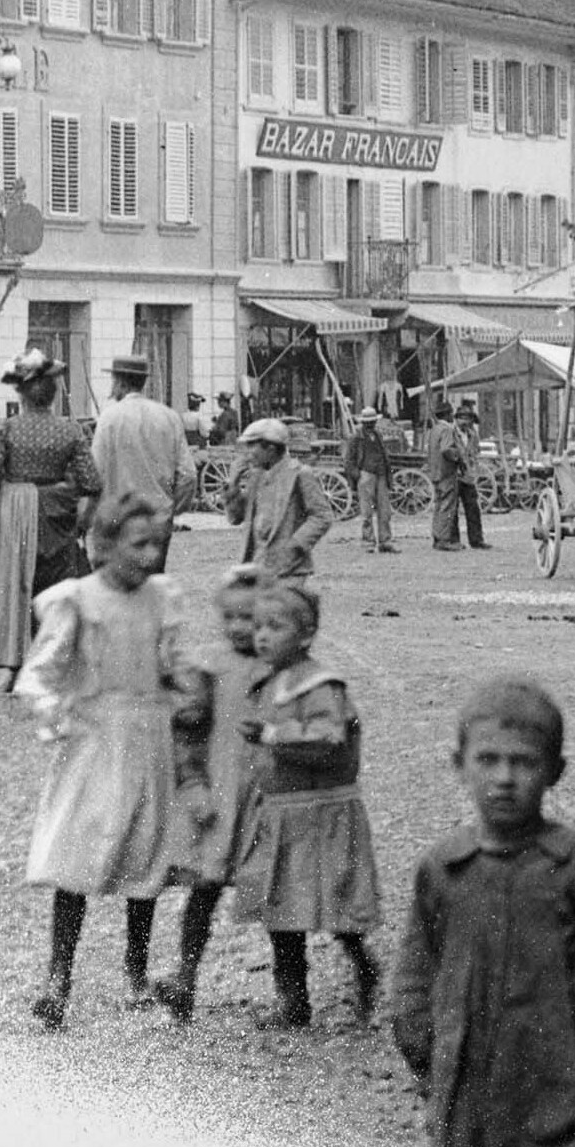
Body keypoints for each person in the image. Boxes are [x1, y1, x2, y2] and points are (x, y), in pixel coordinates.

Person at [393, 677, 575, 1147]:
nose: (504, 778)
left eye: (524, 762)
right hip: (476, 1110)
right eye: (488, 760)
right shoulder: (443, 871)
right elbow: (414, 986)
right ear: (459, 765)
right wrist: (431, 1077)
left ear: (554, 772)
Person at [15, 495, 194, 1030]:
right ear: (103, 545)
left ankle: (136, 973)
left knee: (145, 854)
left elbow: (173, 664)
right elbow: (37, 674)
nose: (149, 554)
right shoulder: (79, 601)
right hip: (96, 740)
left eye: (156, 543)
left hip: (149, 737)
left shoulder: (161, 597)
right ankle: (58, 978)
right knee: (80, 853)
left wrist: (190, 691)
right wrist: (60, 716)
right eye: (138, 544)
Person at [240, 581, 384, 1031]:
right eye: (258, 626)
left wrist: (271, 736)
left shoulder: (321, 685)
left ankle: (362, 964)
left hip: (321, 811)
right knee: (281, 910)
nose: (262, 635)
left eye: (275, 627)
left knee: (337, 903)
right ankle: (293, 1000)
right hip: (284, 812)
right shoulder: (269, 683)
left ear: (305, 635)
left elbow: (327, 737)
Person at [148, 564, 267, 1024]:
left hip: (265, 798)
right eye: (231, 618)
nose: (240, 629)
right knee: (204, 889)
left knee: (278, 896)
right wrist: (193, 783)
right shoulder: (213, 669)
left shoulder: (280, 670)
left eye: (252, 620)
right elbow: (190, 731)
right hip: (222, 796)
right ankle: (185, 979)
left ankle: (297, 992)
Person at [0, 350, 100, 679]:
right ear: (53, 396)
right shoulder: (71, 430)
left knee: (14, 583)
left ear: (21, 395)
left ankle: (15, 664)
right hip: (56, 514)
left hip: (15, 515)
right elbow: (92, 482)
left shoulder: (6, 430)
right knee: (55, 586)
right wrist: (82, 519)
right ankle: (55, 661)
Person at [237, 418, 337, 588]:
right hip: (258, 564)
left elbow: (322, 516)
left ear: (270, 449)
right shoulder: (256, 478)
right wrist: (232, 486)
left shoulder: (299, 474)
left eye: (252, 446)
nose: (248, 452)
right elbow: (236, 517)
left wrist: (295, 545)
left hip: (289, 569)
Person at [93, 353, 190, 522]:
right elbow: (188, 474)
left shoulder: (109, 418)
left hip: (118, 519)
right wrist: (171, 508)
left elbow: (96, 471)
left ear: (120, 383)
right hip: (158, 518)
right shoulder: (170, 417)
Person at [426, 399, 488, 551]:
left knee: (472, 508)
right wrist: (458, 459)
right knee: (450, 509)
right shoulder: (450, 431)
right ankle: (450, 539)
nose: (466, 422)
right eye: (463, 418)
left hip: (467, 475)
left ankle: (476, 539)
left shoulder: (473, 435)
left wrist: (471, 467)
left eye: (469, 419)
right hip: (453, 474)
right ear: (456, 419)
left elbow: (475, 454)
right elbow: (447, 450)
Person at [348, 409, 397, 554]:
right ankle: (368, 541)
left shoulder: (378, 435)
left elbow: (384, 456)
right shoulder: (356, 437)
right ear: (363, 423)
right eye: (368, 422)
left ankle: (385, 541)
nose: (370, 424)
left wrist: (388, 477)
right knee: (366, 511)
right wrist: (358, 475)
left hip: (380, 474)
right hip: (366, 474)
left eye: (372, 422)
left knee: (385, 511)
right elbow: (349, 460)